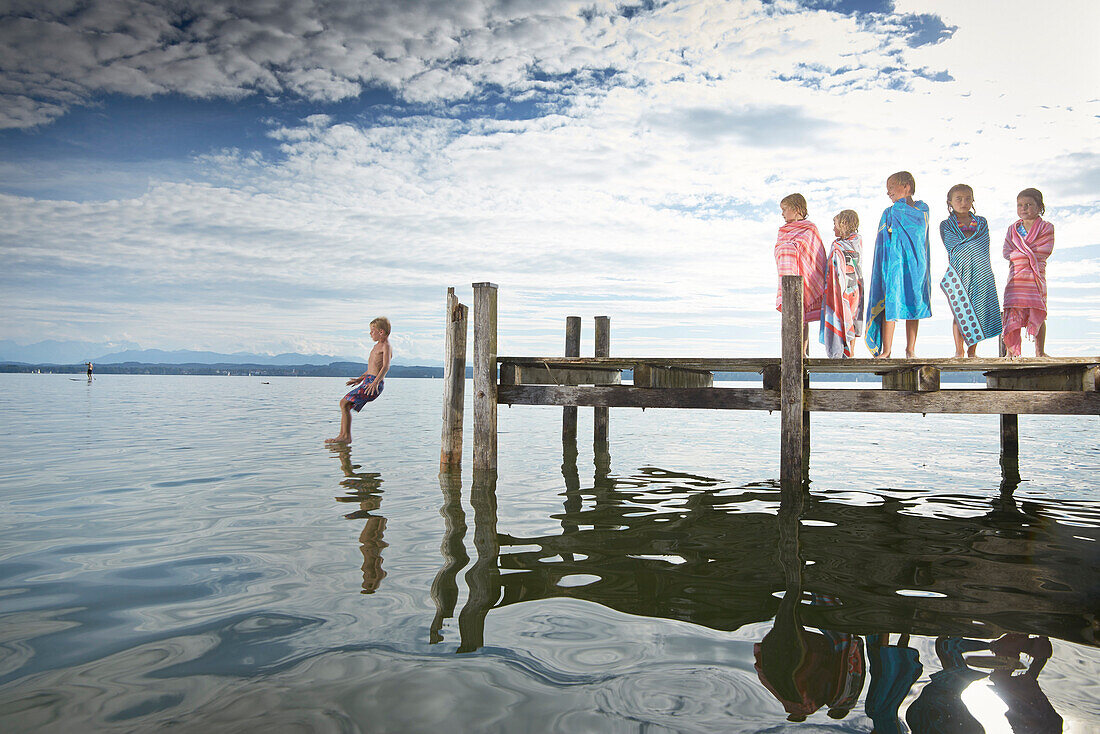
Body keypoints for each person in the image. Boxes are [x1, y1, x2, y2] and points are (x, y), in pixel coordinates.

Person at [865, 171, 932, 358]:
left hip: (915, 264)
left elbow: (919, 231)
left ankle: (910, 349)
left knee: (914, 305)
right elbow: (883, 239)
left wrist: (899, 210)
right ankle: (887, 350)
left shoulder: (922, 209)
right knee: (891, 305)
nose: (888, 192)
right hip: (894, 263)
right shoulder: (889, 211)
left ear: (907, 187)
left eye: (891, 187)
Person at [939, 184, 1001, 357]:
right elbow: (953, 246)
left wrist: (969, 244)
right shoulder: (946, 225)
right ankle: (959, 351)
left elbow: (982, 244)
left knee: (979, 310)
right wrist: (970, 245)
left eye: (967, 198)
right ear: (950, 202)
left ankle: (972, 351)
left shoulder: (981, 222)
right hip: (960, 272)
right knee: (961, 311)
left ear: (973, 200)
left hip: (981, 271)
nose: (963, 202)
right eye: (958, 199)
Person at [1002, 188, 1054, 357]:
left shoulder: (1046, 227)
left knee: (1037, 310)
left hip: (1035, 276)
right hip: (1016, 278)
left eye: (1029, 205)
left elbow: (1044, 249)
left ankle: (1040, 351)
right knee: (1012, 314)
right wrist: (1022, 255)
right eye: (1020, 205)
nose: (1023, 208)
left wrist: (1021, 254)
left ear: (1039, 207)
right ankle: (1012, 351)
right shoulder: (1013, 229)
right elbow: (1007, 251)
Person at [774, 193, 827, 356]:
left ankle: (802, 352)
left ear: (796, 209)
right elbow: (778, 250)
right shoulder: (783, 231)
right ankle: (790, 352)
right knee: (790, 317)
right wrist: (790, 248)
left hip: (805, 279)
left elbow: (815, 252)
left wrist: (794, 247)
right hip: (787, 281)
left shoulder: (810, 228)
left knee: (802, 318)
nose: (782, 214)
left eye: (784, 209)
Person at [326, 317, 392, 444]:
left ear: (381, 332)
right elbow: (372, 368)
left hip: (374, 383)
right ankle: (344, 435)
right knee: (345, 404)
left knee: (344, 403)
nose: (370, 333)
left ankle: (345, 437)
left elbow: (385, 366)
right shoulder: (376, 346)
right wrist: (359, 379)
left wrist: (376, 382)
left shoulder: (386, 346)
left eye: (372, 331)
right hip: (369, 381)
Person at [819, 209, 864, 358]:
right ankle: (838, 350)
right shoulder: (836, 244)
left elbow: (853, 260)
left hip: (851, 286)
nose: (833, 228)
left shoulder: (856, 240)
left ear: (844, 223)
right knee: (837, 315)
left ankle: (850, 352)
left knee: (849, 316)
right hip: (835, 288)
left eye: (835, 224)